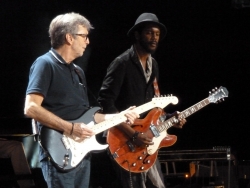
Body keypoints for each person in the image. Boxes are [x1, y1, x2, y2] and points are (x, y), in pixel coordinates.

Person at [24, 12, 139, 188]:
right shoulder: (45, 64)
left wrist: (121, 116)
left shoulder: (78, 71)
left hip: (81, 153)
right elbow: (31, 108)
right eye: (84, 36)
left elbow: (90, 116)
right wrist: (70, 128)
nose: (88, 41)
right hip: (59, 153)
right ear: (69, 38)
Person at [98, 13, 186, 188]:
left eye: (157, 34)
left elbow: (151, 107)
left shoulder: (154, 65)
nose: (154, 38)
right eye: (149, 33)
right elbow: (105, 104)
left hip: (146, 141)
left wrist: (168, 118)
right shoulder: (122, 63)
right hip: (123, 140)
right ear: (137, 35)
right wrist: (133, 134)